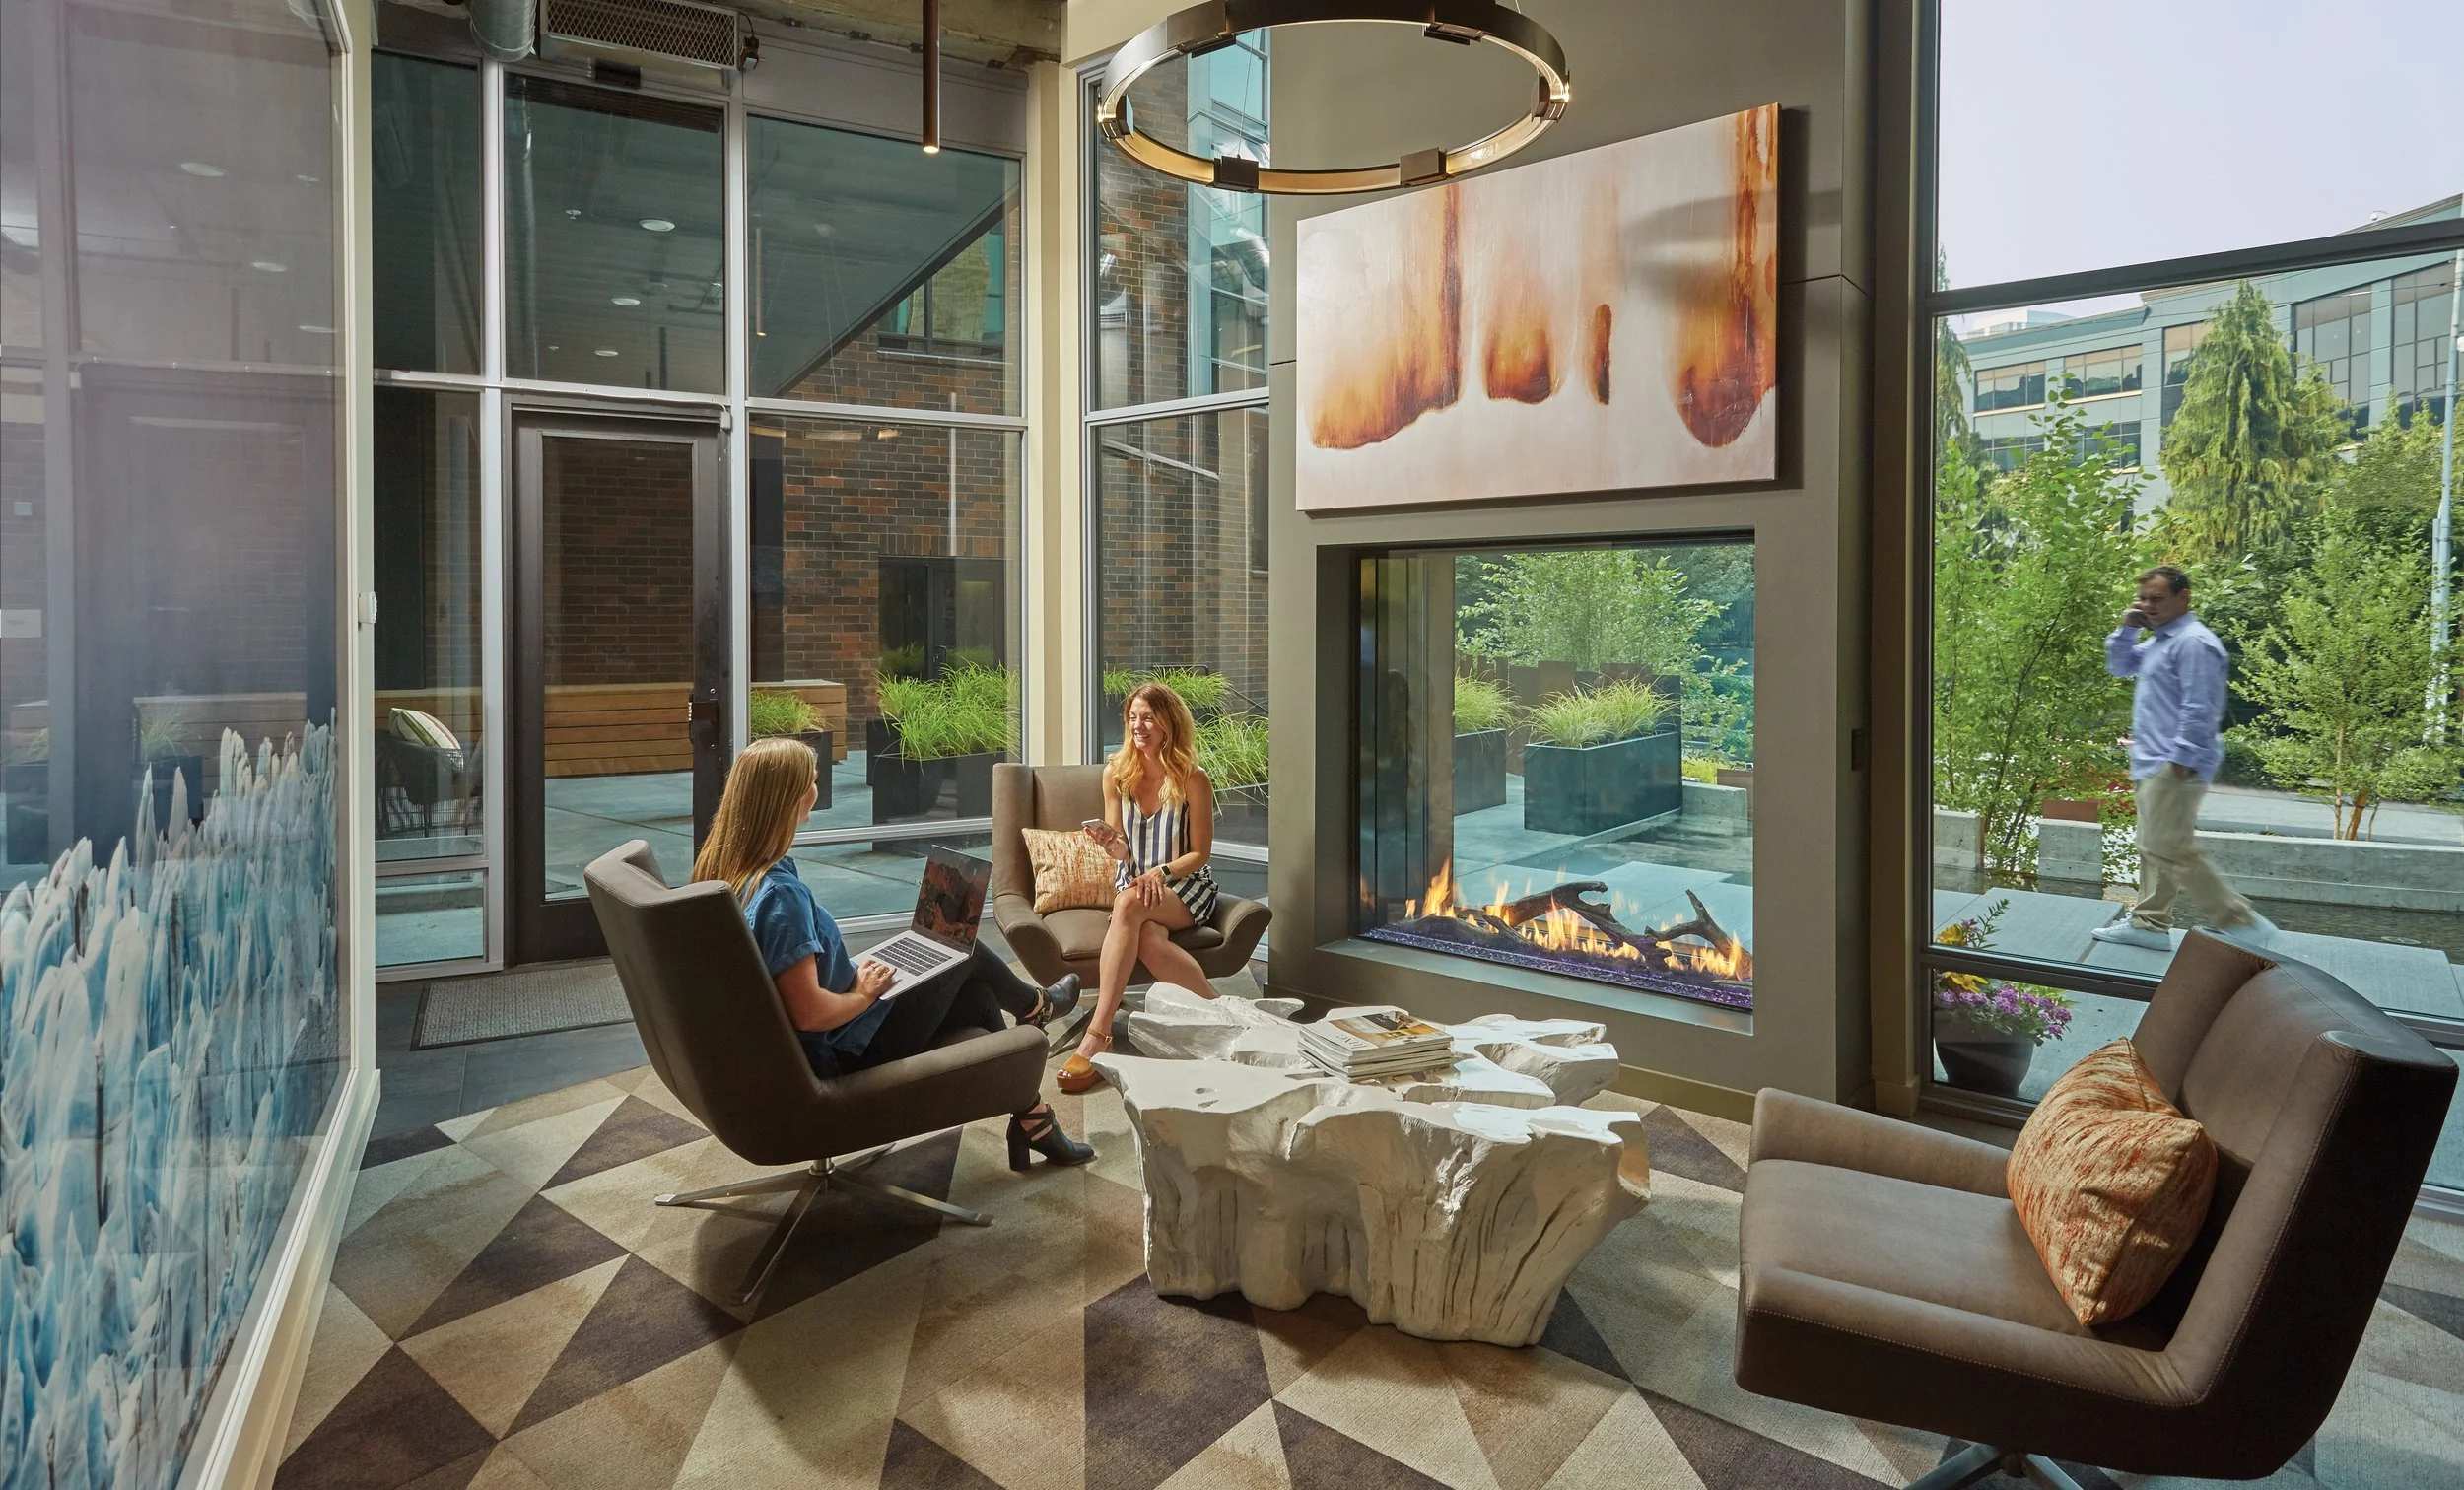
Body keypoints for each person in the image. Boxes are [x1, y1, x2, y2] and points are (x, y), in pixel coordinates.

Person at [693, 736, 1093, 1169]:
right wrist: (864, 993)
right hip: (846, 1052)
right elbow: (809, 1013)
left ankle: (1033, 1118)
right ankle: (1036, 1009)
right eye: (811, 782)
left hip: (839, 1031)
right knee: (962, 947)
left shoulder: (734, 874)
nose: (817, 789)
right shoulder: (780, 896)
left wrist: (858, 971)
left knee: (970, 988)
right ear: (786, 798)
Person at [2090, 564, 2277, 951]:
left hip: (2174, 759)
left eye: (2156, 598)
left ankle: (2240, 920)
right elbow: (2119, 665)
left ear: (2184, 597)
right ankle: (2148, 925)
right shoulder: (2163, 640)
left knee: (2166, 845)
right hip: (2153, 757)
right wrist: (2128, 627)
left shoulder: (2194, 642)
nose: (2148, 605)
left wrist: (2182, 757)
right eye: (2143, 598)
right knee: (2152, 843)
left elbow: (2201, 706)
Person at [1057, 682, 1222, 1095]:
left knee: (1130, 904)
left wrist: (1159, 874)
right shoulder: (1116, 772)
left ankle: (1098, 1034)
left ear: (1168, 723)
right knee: (1145, 935)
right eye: (1133, 717)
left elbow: (1200, 853)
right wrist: (1112, 844)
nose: (1138, 725)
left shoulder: (1192, 779)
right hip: (1134, 881)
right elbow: (1121, 845)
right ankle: (1222, 1013)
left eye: (1148, 716)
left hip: (1181, 885)